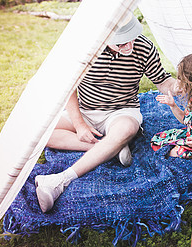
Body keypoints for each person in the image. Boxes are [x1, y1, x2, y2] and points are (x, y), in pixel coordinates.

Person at [35, 12, 177, 213]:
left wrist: (185, 86)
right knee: (41, 132)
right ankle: (111, 149)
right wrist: (79, 125)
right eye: (121, 43)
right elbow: (68, 88)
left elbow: (162, 80)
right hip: (85, 111)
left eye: (131, 39)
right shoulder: (86, 48)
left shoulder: (144, 47)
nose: (129, 46)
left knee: (127, 129)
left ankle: (60, 181)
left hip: (121, 111)